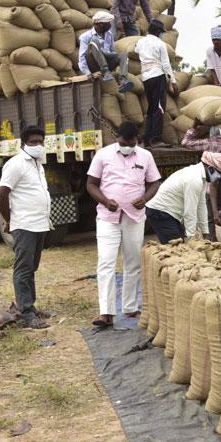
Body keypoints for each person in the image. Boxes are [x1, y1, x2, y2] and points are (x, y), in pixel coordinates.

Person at [86, 121, 162, 329]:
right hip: (108, 217)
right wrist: (105, 201)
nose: (126, 146)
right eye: (123, 143)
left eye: (130, 143)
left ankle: (130, 307)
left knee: (133, 262)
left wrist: (145, 198)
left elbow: (154, 182)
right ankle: (106, 312)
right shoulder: (103, 155)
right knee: (106, 262)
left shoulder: (145, 156)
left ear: (137, 140)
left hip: (134, 217)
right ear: (116, 138)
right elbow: (91, 184)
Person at [0, 125, 51, 329]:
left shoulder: (38, 163)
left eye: (40, 142)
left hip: (39, 223)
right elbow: (1, 194)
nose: (38, 145)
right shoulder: (16, 164)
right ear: (24, 143)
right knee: (23, 268)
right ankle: (25, 312)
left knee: (31, 267)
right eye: (33, 142)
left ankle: (30, 307)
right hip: (24, 224)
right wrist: (9, 220)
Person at [145, 152, 221, 243]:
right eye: (219, 173)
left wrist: (205, 232)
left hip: (169, 213)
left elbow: (201, 205)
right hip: (160, 212)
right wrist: (191, 237)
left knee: (179, 243)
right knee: (175, 247)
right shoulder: (194, 179)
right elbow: (190, 211)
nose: (219, 177)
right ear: (210, 168)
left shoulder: (201, 177)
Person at [135, 19, 178, 147]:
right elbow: (166, 64)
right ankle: (156, 139)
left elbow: (136, 50)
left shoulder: (141, 42)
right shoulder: (160, 44)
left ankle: (147, 138)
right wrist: (173, 81)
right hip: (158, 76)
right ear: (158, 32)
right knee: (159, 108)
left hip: (146, 78)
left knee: (151, 108)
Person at [78, 11, 135, 93]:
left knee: (123, 55)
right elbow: (82, 58)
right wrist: (88, 73)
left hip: (106, 61)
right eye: (107, 23)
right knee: (94, 42)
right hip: (93, 64)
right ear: (100, 24)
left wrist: (116, 56)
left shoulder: (109, 35)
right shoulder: (86, 36)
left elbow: (112, 51)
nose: (109, 25)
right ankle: (105, 72)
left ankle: (123, 81)